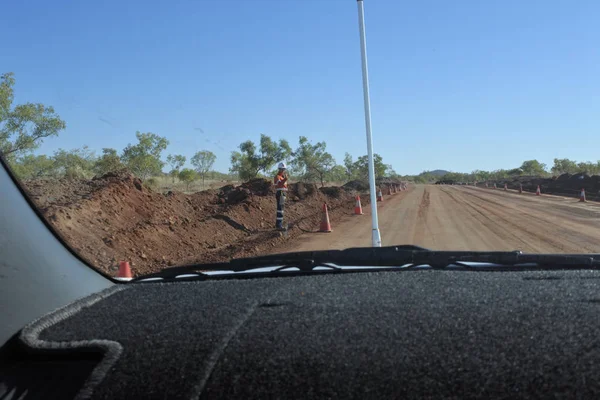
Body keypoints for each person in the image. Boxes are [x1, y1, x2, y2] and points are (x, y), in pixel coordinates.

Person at [273, 163, 288, 230]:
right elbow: (279, 184)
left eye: (284, 169)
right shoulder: (277, 177)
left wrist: (284, 179)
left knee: (281, 209)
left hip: (283, 193)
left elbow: (284, 185)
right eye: (282, 169)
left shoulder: (282, 177)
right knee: (280, 210)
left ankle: (279, 224)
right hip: (281, 193)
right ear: (280, 169)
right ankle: (279, 225)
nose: (283, 170)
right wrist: (285, 179)